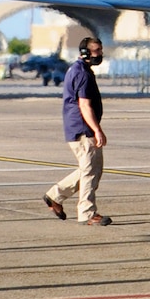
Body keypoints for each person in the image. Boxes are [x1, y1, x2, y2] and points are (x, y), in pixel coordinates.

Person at [42, 37, 112, 226]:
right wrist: (97, 130)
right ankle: (87, 213)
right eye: (97, 50)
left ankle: (55, 196)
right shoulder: (82, 73)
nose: (100, 54)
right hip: (83, 130)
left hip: (78, 127)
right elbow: (84, 105)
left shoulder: (77, 69)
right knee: (90, 171)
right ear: (86, 53)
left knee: (90, 170)